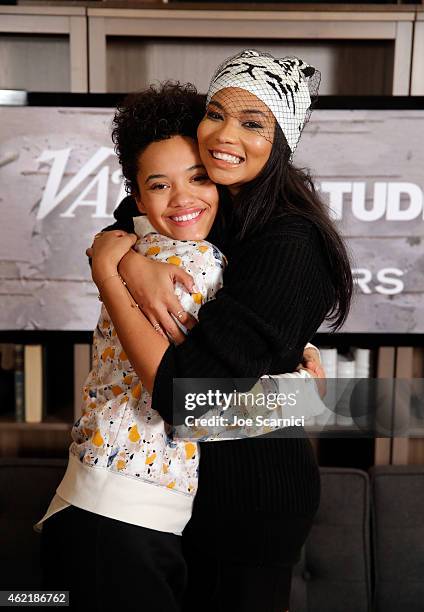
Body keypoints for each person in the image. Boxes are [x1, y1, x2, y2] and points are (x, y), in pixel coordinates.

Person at [37, 82, 322, 612]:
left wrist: (114, 258)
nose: (185, 196)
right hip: (124, 507)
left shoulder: (247, 242)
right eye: (160, 186)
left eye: (197, 178)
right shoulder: (190, 263)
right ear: (139, 197)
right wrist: (303, 394)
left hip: (150, 507)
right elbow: (187, 396)